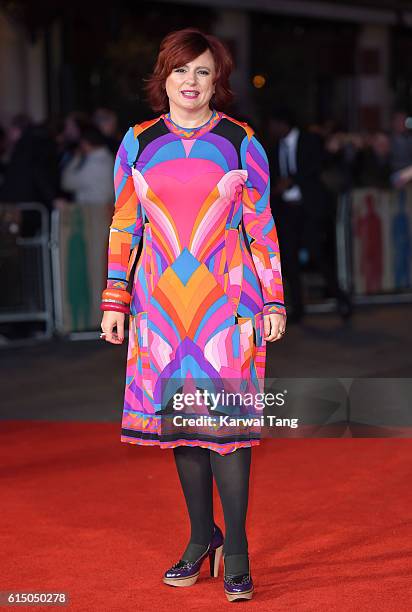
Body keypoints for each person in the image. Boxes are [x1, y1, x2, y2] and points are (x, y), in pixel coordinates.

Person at [100, 27, 287, 602]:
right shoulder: (137, 142)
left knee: (226, 431)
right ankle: (201, 538)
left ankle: (237, 552)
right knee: (183, 426)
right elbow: (124, 225)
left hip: (229, 303)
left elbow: (260, 224)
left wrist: (275, 296)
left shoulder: (240, 142)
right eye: (182, 71)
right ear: (165, 77)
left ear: (217, 82)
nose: (191, 82)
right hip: (160, 307)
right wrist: (115, 299)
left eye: (203, 72)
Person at [269, 108, 351, 322]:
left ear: (283, 123)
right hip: (287, 210)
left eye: (274, 125)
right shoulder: (274, 146)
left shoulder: (308, 139)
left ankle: (341, 298)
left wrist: (292, 180)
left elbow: (315, 166)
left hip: (309, 207)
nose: (272, 129)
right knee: (288, 258)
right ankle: (298, 308)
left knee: (317, 254)